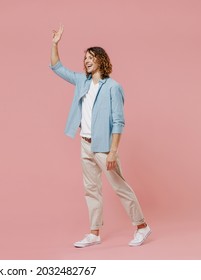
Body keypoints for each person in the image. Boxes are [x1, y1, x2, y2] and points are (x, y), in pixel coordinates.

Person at [49, 24, 151, 247]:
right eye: (85, 57)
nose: (86, 60)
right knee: (91, 190)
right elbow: (57, 67)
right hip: (85, 144)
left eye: (91, 57)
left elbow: (118, 122)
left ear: (101, 60)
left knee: (119, 187)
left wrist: (113, 151)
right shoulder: (81, 81)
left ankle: (142, 227)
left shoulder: (113, 87)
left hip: (104, 147)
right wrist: (55, 43)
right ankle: (94, 233)